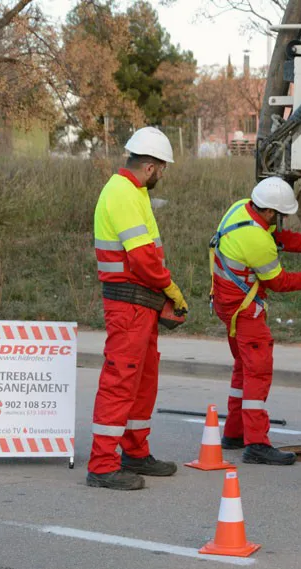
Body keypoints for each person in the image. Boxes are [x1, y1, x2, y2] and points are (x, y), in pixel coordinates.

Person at [210, 176, 301, 465]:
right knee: (258, 372)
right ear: (270, 212)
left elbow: (279, 239)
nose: (282, 220)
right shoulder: (256, 240)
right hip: (245, 312)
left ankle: (234, 433)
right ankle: (257, 444)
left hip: (228, 305)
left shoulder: (241, 209)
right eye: (281, 215)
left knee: (243, 370)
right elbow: (279, 282)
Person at [87, 126, 188, 490]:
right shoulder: (124, 194)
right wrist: (170, 288)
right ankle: (102, 466)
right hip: (128, 305)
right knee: (120, 383)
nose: (163, 174)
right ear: (150, 167)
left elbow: (145, 257)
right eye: (162, 168)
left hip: (140, 305)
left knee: (142, 383)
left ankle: (135, 452)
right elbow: (144, 258)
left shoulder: (134, 191)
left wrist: (161, 297)